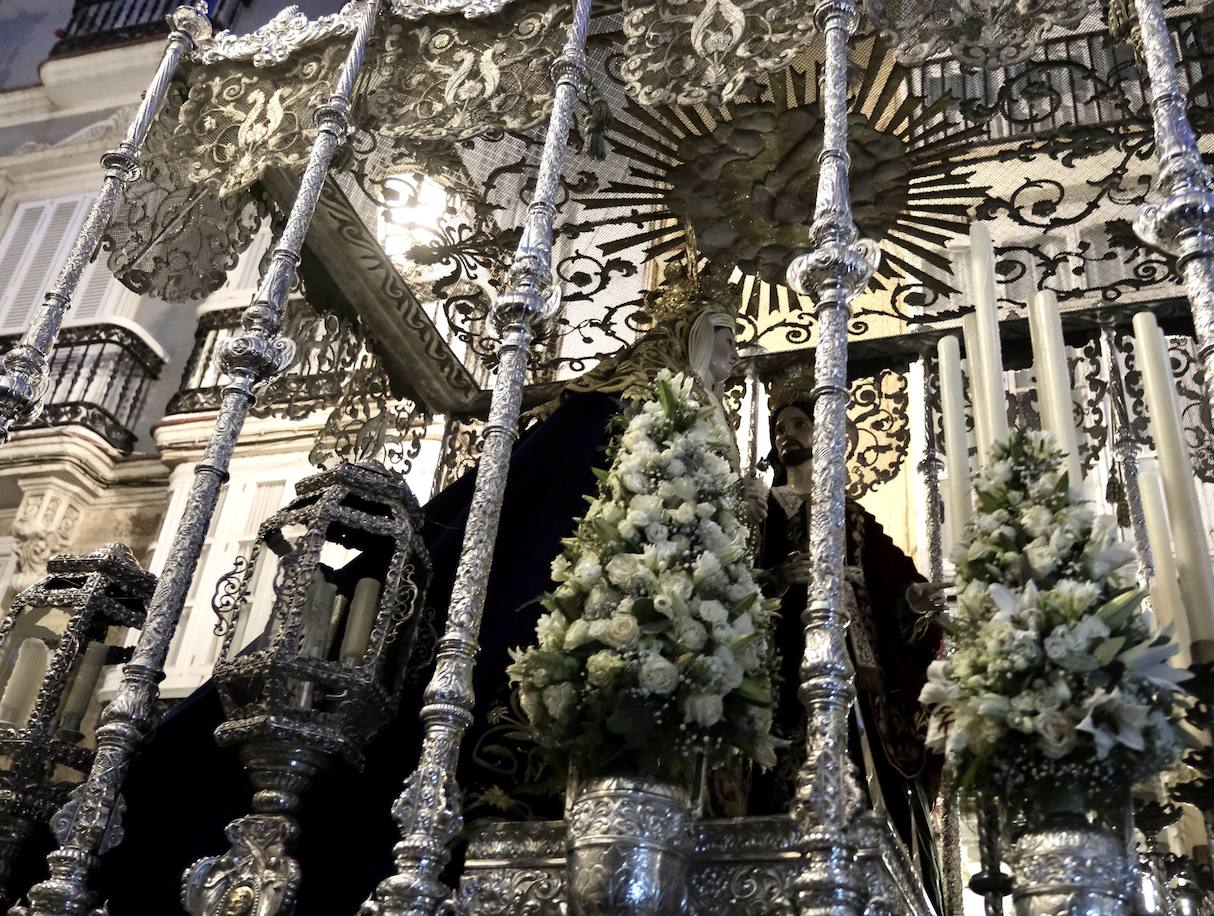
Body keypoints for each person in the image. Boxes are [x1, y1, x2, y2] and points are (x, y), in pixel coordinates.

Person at [56, 264, 765, 915]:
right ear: (690, 336)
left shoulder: (699, 424)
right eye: (725, 339)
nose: (733, 359)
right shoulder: (621, 406)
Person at [750, 367, 944, 911]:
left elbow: (896, 585)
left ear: (823, 432)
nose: (787, 434)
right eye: (780, 427)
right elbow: (737, 582)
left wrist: (916, 600)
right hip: (782, 661)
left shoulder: (851, 515)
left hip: (853, 670)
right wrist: (777, 578)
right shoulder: (764, 510)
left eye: (799, 423)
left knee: (863, 773)